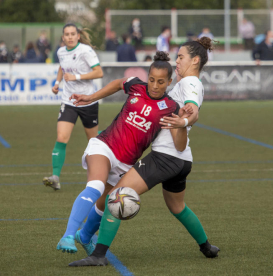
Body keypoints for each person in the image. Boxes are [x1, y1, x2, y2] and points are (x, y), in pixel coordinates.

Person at [68, 37, 220, 267]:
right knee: (177, 207)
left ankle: (98, 255)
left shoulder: (190, 83)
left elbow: (193, 110)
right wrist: (184, 121)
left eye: (181, 57)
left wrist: (187, 119)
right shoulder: (185, 82)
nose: (177, 60)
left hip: (164, 158)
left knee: (115, 196)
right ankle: (207, 247)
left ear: (195, 60)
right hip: (182, 159)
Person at [55, 51, 189, 257]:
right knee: (96, 185)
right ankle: (69, 235)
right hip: (105, 146)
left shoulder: (171, 107)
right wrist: (91, 97)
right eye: (151, 80)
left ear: (169, 82)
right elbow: (118, 83)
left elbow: (179, 146)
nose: (154, 85)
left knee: (105, 202)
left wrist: (182, 124)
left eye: (160, 82)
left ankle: (85, 236)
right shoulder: (136, 86)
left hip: (125, 164)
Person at [42, 23, 104, 191]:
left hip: (87, 101)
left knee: (93, 141)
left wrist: (76, 76)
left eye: (72, 34)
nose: (69, 37)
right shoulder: (61, 51)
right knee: (62, 137)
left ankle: (103, 169)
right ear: (63, 37)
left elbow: (99, 72)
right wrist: (57, 83)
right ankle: (55, 177)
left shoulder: (86, 51)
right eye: (66, 34)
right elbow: (62, 67)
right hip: (68, 101)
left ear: (78, 36)